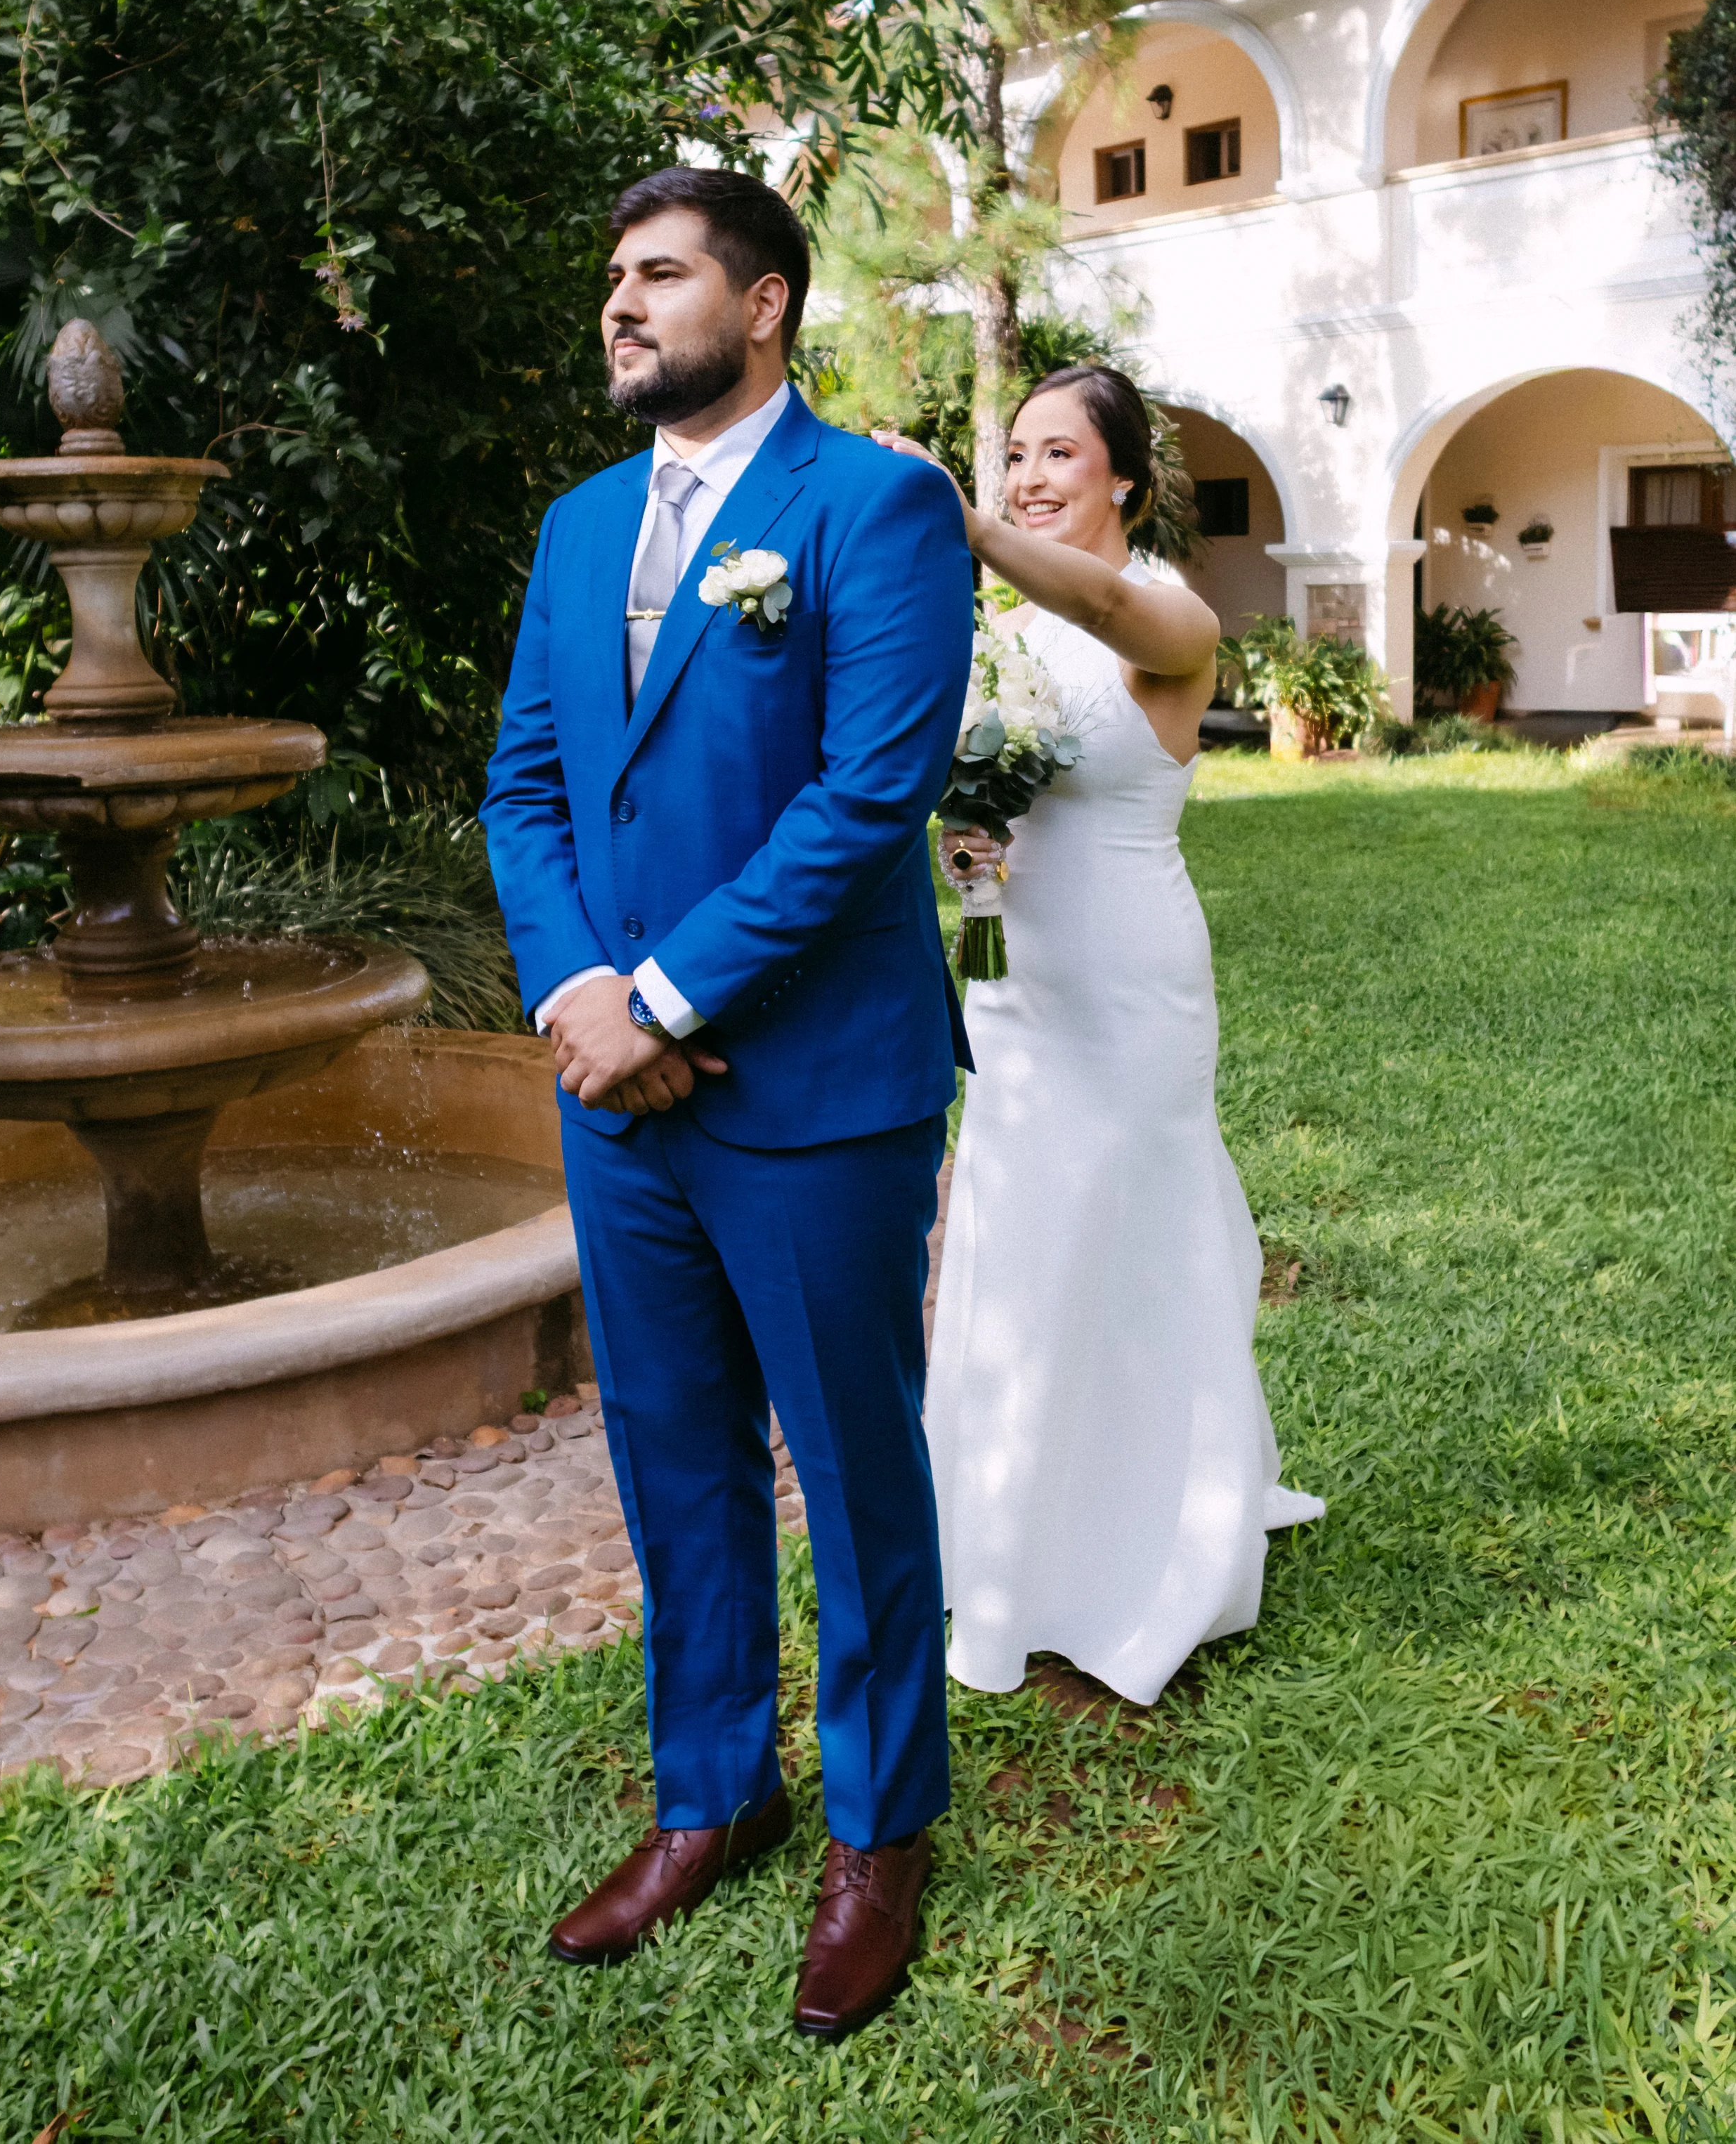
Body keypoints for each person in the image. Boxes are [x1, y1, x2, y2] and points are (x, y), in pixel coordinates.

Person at [481, 167, 974, 2038]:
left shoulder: (873, 504)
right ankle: (713, 1794)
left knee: (853, 1467)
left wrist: (668, 996)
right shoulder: (576, 524)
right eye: (613, 274)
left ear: (762, 305)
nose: (620, 302)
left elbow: (868, 796)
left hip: (816, 1088)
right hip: (617, 1095)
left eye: (661, 272)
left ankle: (879, 1831)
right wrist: (579, 996)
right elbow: (526, 788)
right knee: (671, 1453)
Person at [876, 368, 1324, 1707]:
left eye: (1058, 453)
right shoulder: (1001, 631)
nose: (1028, 476)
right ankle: (1009, 1533)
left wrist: (968, 527)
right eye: (1014, 455)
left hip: (1131, 990)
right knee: (1018, 1241)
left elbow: (1111, 610)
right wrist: (968, 844)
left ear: (1123, 476)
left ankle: (1152, 1538)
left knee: (1124, 1235)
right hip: (1014, 984)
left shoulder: (1167, 611)